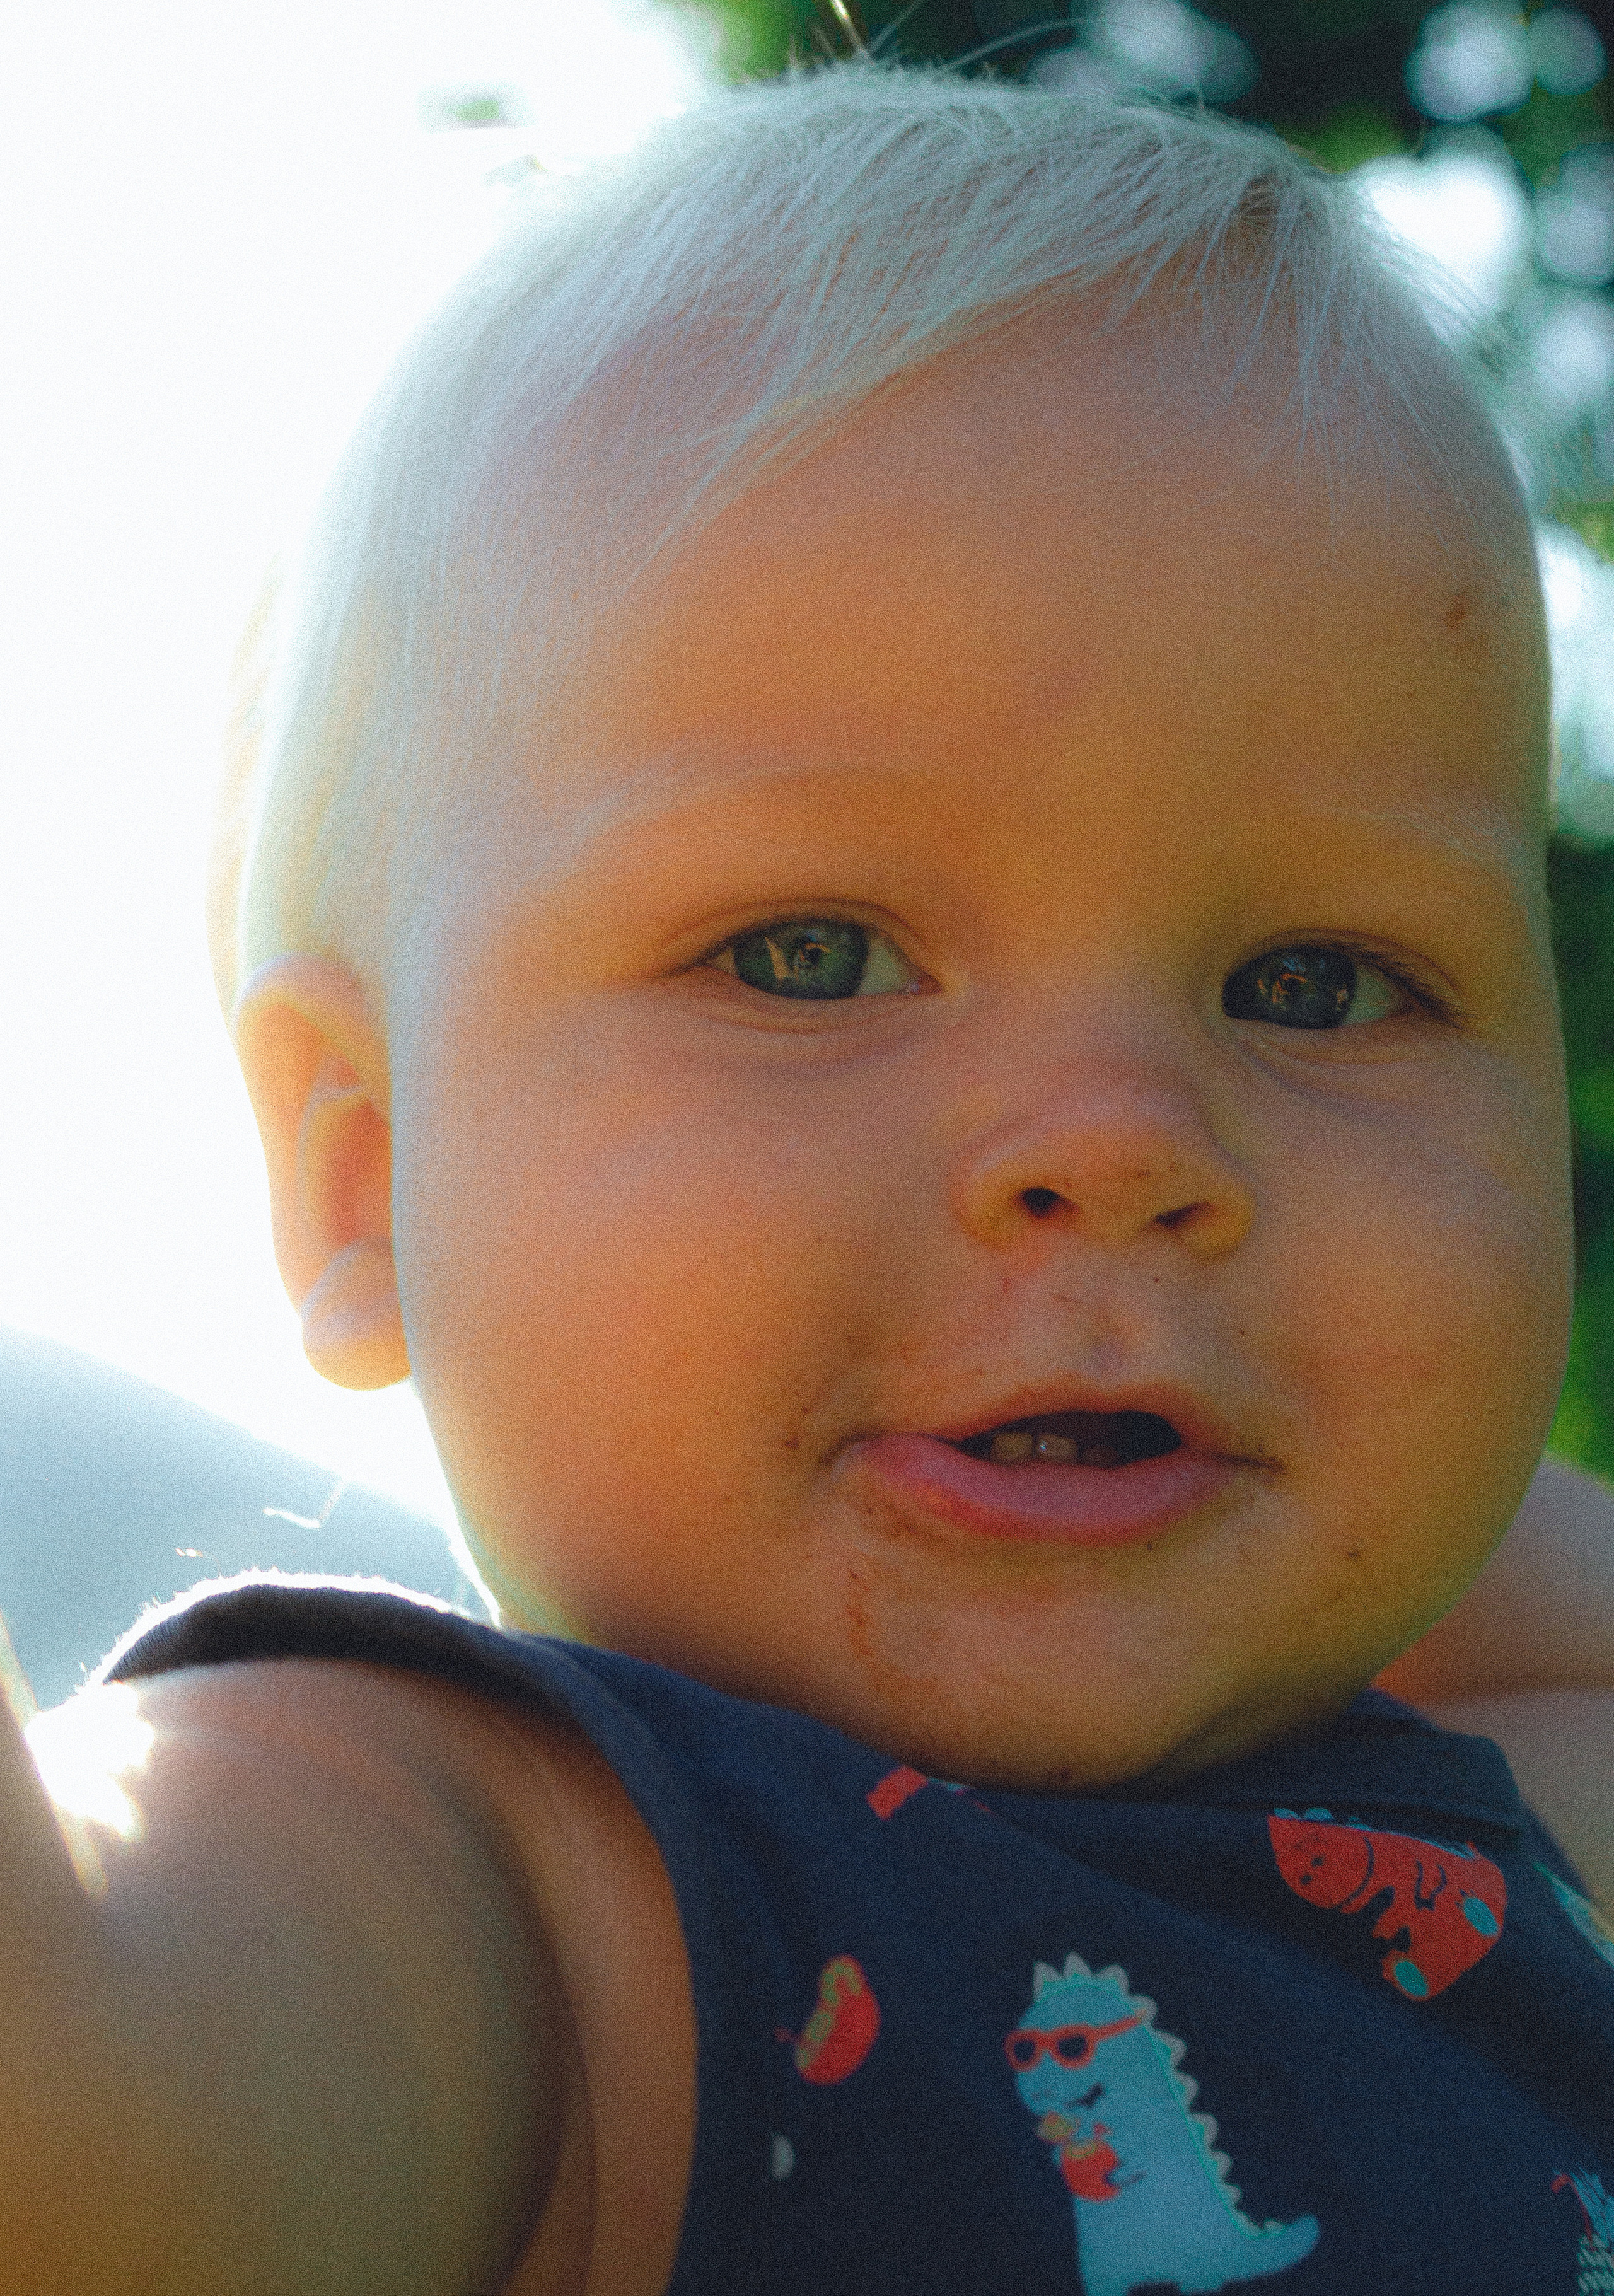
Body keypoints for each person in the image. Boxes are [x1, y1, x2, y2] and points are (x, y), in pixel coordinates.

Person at [4, 66, 1613, 2295]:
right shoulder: (501, 1888)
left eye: (1322, 982)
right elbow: (72, 2111)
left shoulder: (1513, 1840)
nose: (1122, 1139)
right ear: (369, 1170)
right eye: (809, 956)